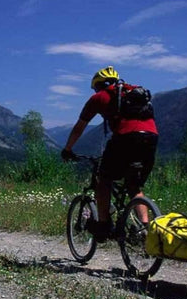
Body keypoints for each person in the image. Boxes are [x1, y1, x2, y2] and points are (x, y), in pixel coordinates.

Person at [61, 66, 158, 243]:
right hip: (150, 139)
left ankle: (103, 225)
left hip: (125, 139)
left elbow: (79, 128)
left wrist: (67, 149)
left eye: (95, 87)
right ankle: (145, 230)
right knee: (134, 186)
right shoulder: (132, 93)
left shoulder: (99, 97)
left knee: (104, 179)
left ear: (98, 85)